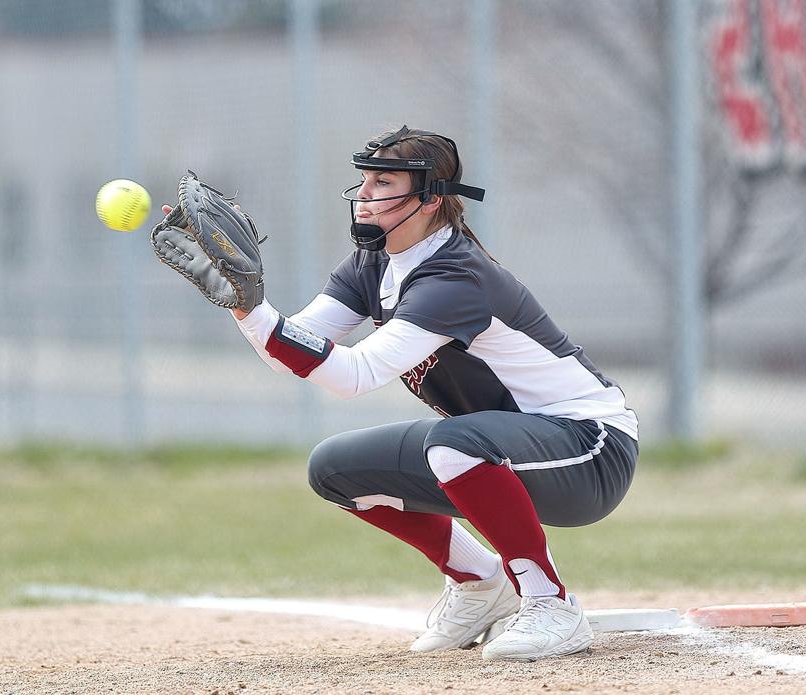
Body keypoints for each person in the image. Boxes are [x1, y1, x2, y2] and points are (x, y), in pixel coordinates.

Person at [175, 125, 639, 661]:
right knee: (335, 469)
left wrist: (258, 312)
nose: (364, 195)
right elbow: (291, 350)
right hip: (502, 446)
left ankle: (550, 604)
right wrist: (244, 307)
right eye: (364, 181)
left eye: (384, 183)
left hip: (591, 449)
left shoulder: (454, 278)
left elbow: (355, 374)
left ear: (431, 198)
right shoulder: (372, 264)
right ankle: (479, 583)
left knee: (455, 444)